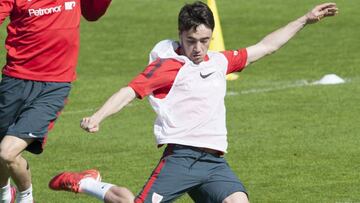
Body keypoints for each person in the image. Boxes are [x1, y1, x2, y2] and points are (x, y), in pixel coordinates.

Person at [48, 1, 338, 203]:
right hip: (181, 159)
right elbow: (129, 91)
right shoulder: (167, 66)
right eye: (191, 40)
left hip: (214, 163)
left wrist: (304, 20)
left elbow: (266, 46)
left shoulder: (220, 61)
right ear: (180, 35)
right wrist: (98, 116)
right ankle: (86, 182)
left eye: (204, 39)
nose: (198, 48)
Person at [0, 0, 112, 202]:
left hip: (54, 85)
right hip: (14, 82)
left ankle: (25, 196)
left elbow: (93, 13)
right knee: (2, 150)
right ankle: (5, 192)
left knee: (7, 152)